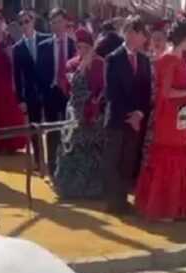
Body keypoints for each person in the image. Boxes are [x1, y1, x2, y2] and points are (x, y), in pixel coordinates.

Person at [134, 19, 186, 222]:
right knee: (168, 156)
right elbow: (166, 92)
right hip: (169, 116)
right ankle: (164, 207)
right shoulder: (170, 60)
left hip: (178, 114)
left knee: (176, 155)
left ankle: (171, 206)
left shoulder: (176, 58)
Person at [101, 15, 152, 215]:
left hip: (135, 120)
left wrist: (139, 113)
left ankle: (122, 199)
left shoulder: (144, 60)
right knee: (113, 160)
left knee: (128, 160)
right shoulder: (113, 58)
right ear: (130, 34)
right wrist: (129, 116)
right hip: (117, 119)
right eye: (140, 34)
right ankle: (113, 202)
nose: (143, 38)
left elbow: (146, 91)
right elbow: (112, 93)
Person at [51, 27, 105, 199]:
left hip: (95, 116)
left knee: (92, 153)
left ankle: (92, 189)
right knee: (72, 149)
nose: (82, 51)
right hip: (75, 113)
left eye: (86, 47)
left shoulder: (101, 64)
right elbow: (68, 87)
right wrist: (81, 70)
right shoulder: (72, 64)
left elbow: (105, 88)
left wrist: (96, 102)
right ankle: (70, 188)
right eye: (79, 47)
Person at [37, 8, 76, 179]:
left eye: (60, 21)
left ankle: (68, 167)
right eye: (53, 22)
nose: (57, 26)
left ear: (66, 23)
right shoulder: (44, 46)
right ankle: (52, 169)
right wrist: (44, 92)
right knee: (52, 132)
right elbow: (39, 73)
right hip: (51, 92)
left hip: (69, 93)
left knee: (68, 131)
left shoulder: (74, 45)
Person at [0, 7, 27, 153]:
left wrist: (8, 53)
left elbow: (13, 58)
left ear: (2, 22)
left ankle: (11, 144)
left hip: (7, 79)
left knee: (9, 110)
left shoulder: (9, 37)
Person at [13, 10, 48, 168]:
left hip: (48, 91)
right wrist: (19, 99)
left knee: (52, 126)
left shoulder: (46, 40)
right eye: (21, 23)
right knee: (34, 128)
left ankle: (55, 160)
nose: (24, 25)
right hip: (30, 93)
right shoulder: (17, 48)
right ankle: (38, 161)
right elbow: (17, 75)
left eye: (27, 21)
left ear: (33, 21)